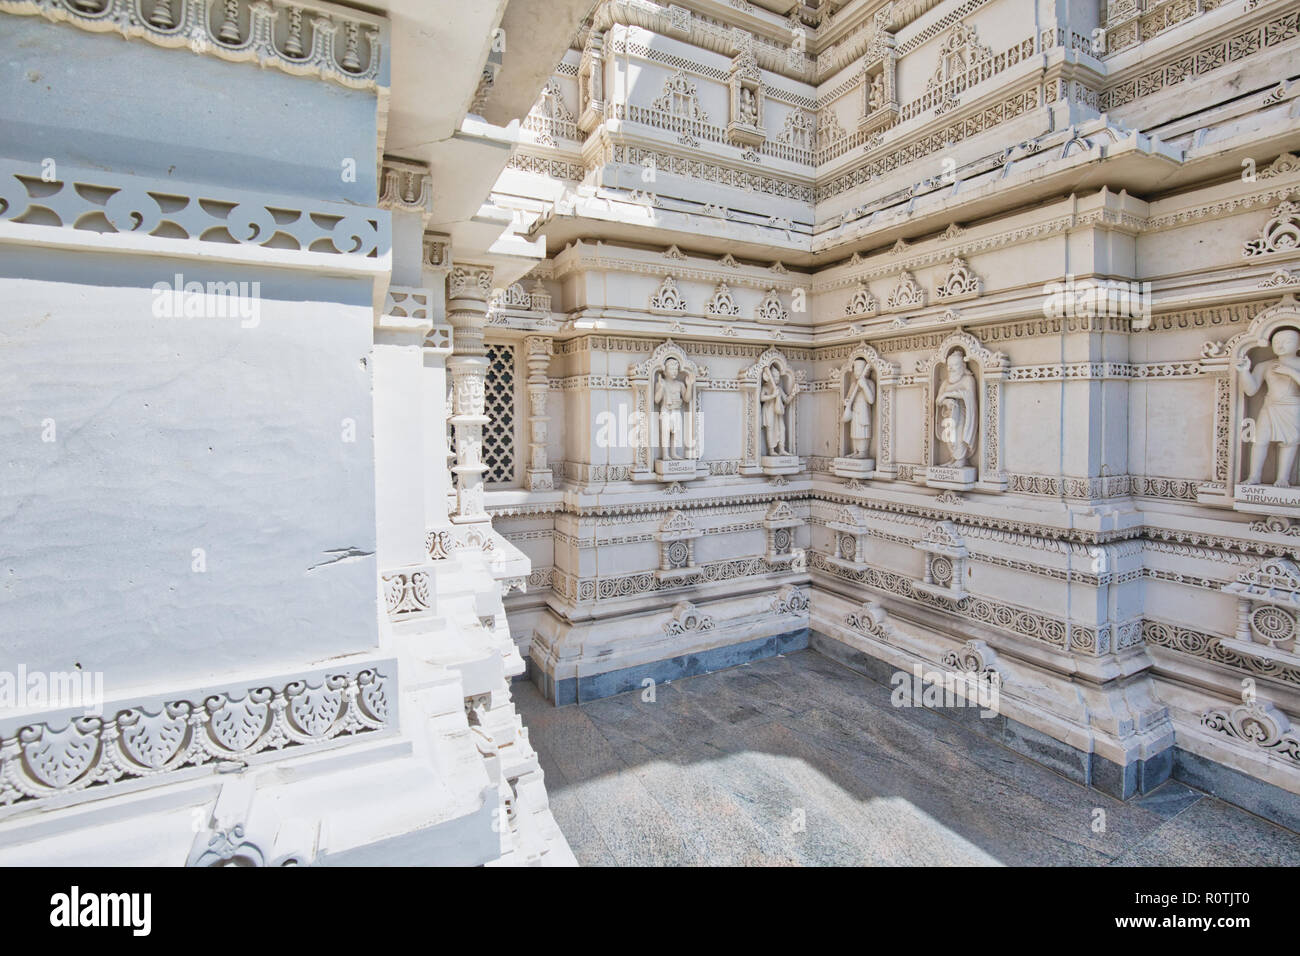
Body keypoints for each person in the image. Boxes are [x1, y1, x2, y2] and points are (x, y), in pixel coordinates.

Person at [1239, 328, 1300, 487]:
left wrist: (1290, 372)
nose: (1281, 345)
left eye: (1287, 341)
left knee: (1290, 442)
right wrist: (1244, 372)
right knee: (1259, 441)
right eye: (1277, 342)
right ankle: (1254, 476)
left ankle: (1282, 478)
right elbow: (1251, 390)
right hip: (1269, 407)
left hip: (1292, 408)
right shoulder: (1265, 365)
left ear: (1298, 345)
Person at [935, 350, 977, 467]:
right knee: (950, 438)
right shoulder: (945, 383)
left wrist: (949, 394)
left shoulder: (968, 379)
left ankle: (961, 460)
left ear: (962, 366)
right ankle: (953, 459)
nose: (951, 369)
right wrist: (945, 400)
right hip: (949, 415)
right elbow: (938, 400)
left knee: (959, 436)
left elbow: (969, 394)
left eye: (954, 366)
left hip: (963, 415)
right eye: (949, 366)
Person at [841, 357, 875, 458]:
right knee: (854, 432)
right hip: (854, 411)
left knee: (862, 432)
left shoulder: (869, 383)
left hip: (864, 412)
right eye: (855, 370)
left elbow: (871, 400)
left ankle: (863, 452)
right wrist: (846, 401)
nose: (857, 372)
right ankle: (856, 451)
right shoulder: (853, 384)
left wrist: (864, 386)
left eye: (859, 370)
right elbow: (848, 398)